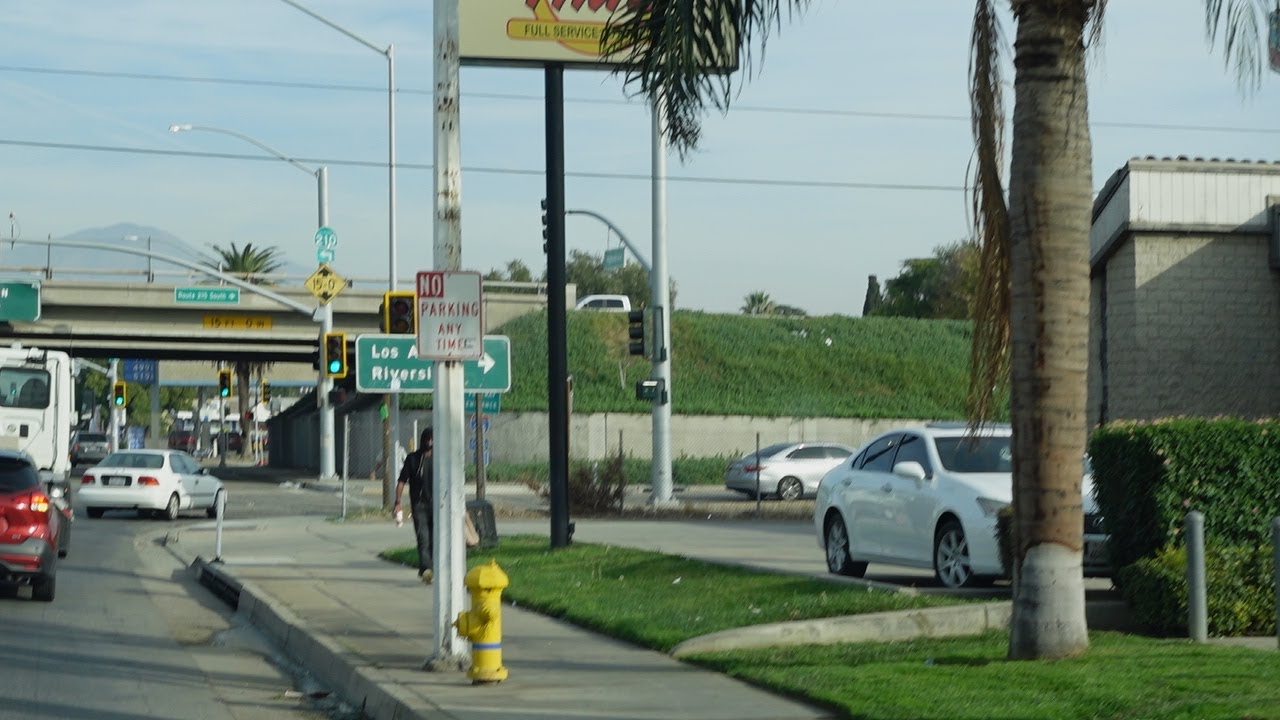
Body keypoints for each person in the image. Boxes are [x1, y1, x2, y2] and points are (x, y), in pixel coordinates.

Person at [394, 428, 434, 583]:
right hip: (419, 505)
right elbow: (401, 481)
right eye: (427, 438)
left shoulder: (440, 459)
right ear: (422, 440)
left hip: (437, 505)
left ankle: (429, 568)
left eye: (432, 439)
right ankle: (426, 569)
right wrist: (398, 502)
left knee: (435, 539)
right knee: (423, 538)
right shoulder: (413, 459)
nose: (429, 442)